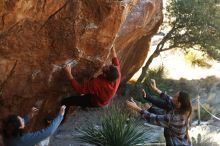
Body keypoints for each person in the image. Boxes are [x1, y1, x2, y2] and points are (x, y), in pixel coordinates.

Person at [61, 46, 121, 122]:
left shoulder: (98, 83)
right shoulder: (116, 73)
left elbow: (79, 89)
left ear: (105, 75)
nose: (105, 65)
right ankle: (84, 105)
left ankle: (61, 120)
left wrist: (69, 73)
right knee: (90, 88)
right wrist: (113, 48)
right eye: (108, 65)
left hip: (95, 101)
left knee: (66, 101)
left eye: (106, 67)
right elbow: (115, 59)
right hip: (102, 97)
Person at [127, 81, 192, 146]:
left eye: (175, 97)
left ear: (179, 103)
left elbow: (153, 118)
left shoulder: (174, 118)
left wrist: (136, 108)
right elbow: (168, 98)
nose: (172, 97)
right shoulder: (185, 110)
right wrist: (154, 90)